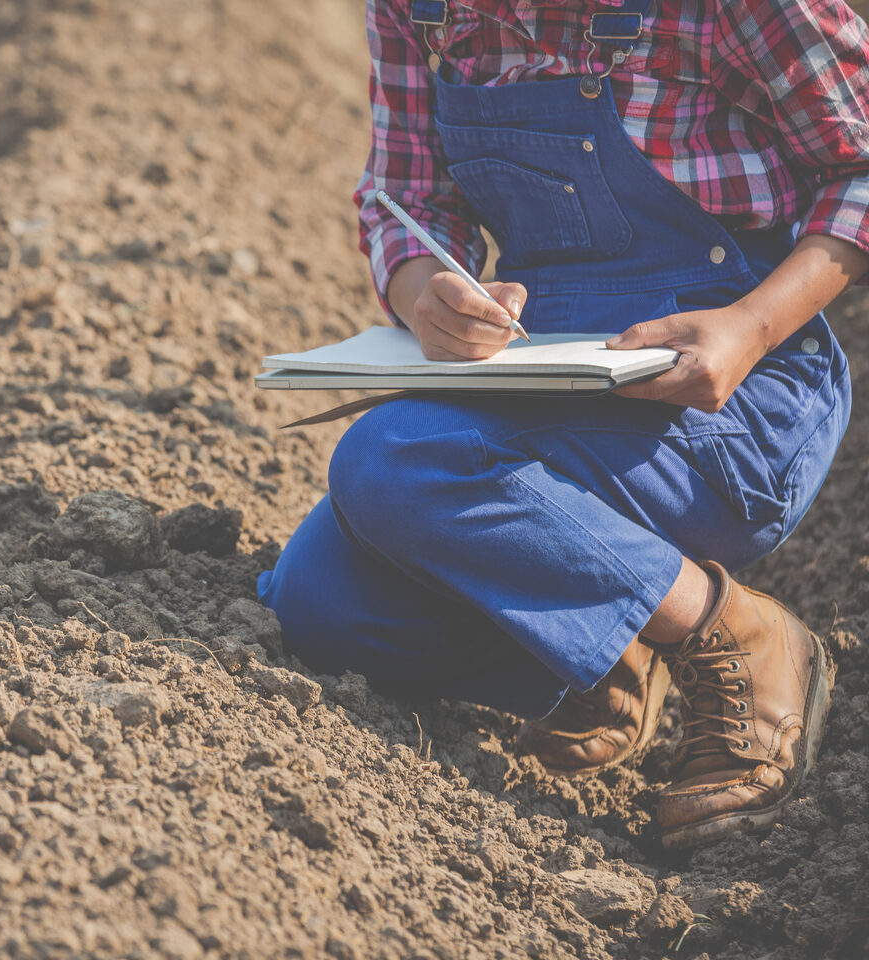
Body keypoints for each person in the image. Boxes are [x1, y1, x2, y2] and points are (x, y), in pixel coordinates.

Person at [258, 0, 869, 850]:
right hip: (548, 362)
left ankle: (737, 633)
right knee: (323, 602)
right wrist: (426, 292)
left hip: (730, 391)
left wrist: (752, 326)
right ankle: (614, 638)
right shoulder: (419, 9)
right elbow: (405, 194)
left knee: (391, 458)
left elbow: (862, 165)